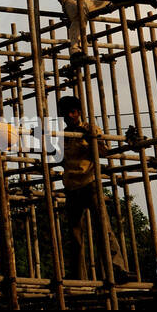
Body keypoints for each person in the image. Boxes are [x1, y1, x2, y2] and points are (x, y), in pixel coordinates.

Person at [57, 95, 129, 282]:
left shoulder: (90, 129)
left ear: (79, 112)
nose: (69, 116)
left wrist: (92, 141)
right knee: (75, 235)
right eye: (66, 113)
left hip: (90, 183)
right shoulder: (63, 135)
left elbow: (103, 152)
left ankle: (116, 269)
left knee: (103, 229)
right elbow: (57, 157)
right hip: (71, 187)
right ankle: (78, 275)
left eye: (72, 112)